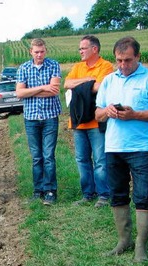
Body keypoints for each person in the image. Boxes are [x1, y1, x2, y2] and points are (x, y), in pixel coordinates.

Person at [96, 36, 148, 262]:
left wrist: (135, 114)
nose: (123, 65)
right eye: (119, 60)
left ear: (138, 56)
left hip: (140, 148)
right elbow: (97, 114)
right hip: (113, 146)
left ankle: (141, 246)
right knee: (117, 194)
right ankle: (124, 240)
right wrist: (107, 111)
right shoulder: (109, 81)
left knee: (143, 196)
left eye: (127, 60)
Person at [64, 35, 114, 208]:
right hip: (78, 121)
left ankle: (104, 195)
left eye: (83, 48)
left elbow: (100, 86)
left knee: (100, 160)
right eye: (80, 49)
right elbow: (67, 83)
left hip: (96, 121)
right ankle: (87, 194)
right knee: (82, 159)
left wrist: (81, 85)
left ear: (95, 49)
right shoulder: (78, 67)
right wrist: (87, 80)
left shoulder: (106, 66)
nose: (80, 52)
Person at [16, 38, 62, 206]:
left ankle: (51, 190)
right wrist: (43, 88)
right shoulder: (24, 68)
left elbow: (54, 91)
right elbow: (19, 94)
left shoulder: (54, 65)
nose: (39, 54)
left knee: (48, 155)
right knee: (36, 157)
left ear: (46, 51)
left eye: (42, 51)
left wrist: (30, 91)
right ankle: (38, 190)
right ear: (31, 52)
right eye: (36, 52)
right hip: (31, 118)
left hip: (50, 116)